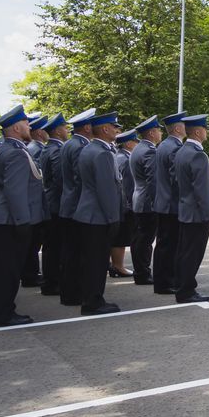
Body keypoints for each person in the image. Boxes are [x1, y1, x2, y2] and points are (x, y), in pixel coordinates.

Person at [0, 105, 45, 327]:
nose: (29, 127)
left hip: (6, 217)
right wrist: (22, 222)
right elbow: (16, 190)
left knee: (7, 269)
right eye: (26, 124)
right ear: (16, 128)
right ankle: (3, 314)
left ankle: (4, 311)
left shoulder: (7, 149)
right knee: (8, 270)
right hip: (11, 220)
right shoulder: (16, 153)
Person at [74, 112, 123, 316]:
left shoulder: (89, 148)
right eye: (114, 127)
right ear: (104, 129)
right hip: (98, 216)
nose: (117, 130)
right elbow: (106, 190)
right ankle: (93, 302)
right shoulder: (102, 153)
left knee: (91, 261)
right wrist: (113, 218)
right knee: (97, 262)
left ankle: (91, 299)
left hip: (88, 213)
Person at [174, 114, 209, 304]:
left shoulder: (183, 151)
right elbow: (202, 189)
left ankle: (182, 286)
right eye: (205, 129)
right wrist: (207, 215)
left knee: (185, 252)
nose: (206, 132)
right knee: (193, 253)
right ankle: (186, 290)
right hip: (197, 214)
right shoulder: (197, 154)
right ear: (198, 132)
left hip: (186, 209)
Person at [58, 108, 96, 306]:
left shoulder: (69, 144)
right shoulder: (81, 147)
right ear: (88, 127)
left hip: (69, 203)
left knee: (71, 252)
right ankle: (75, 293)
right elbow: (81, 179)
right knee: (78, 253)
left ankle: (69, 293)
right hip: (78, 206)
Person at [152, 112, 186, 296]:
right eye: (184, 124)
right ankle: (166, 282)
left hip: (164, 202)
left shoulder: (165, 145)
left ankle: (162, 281)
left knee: (164, 244)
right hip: (172, 203)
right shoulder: (174, 148)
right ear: (178, 128)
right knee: (170, 245)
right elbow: (177, 178)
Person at [38, 114, 69, 295]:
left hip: (50, 202)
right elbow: (60, 180)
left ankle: (50, 281)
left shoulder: (48, 148)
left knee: (51, 245)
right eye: (64, 127)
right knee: (56, 246)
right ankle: (53, 282)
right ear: (57, 131)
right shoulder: (57, 149)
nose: (67, 130)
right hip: (57, 203)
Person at [129, 115, 162, 286]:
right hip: (148, 201)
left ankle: (140, 271)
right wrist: (157, 202)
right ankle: (142, 273)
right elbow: (153, 180)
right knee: (145, 240)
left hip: (140, 199)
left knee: (140, 238)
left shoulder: (138, 148)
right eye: (158, 130)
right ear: (151, 133)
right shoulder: (149, 151)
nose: (160, 133)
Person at [21, 113, 49, 289]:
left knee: (34, 242)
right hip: (34, 201)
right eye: (45, 129)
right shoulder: (35, 149)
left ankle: (31, 273)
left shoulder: (36, 147)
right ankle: (29, 275)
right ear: (39, 132)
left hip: (36, 200)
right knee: (32, 243)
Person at [109, 129, 137, 278]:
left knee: (118, 237)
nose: (137, 144)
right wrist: (129, 204)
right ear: (128, 144)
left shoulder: (118, 156)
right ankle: (118, 266)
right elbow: (127, 185)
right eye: (135, 141)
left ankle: (115, 265)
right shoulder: (125, 159)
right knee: (121, 238)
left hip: (119, 203)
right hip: (125, 204)